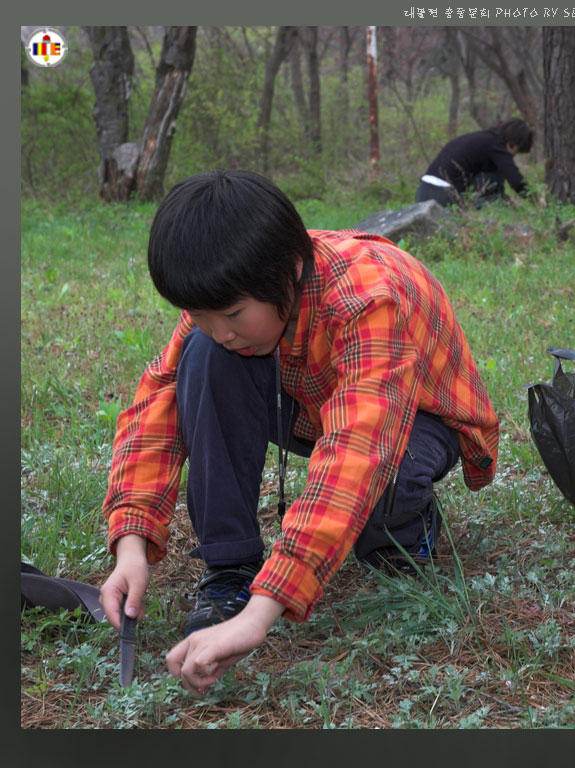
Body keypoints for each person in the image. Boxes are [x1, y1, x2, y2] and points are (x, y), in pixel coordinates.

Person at [99, 170, 500, 694]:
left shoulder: (371, 299)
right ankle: (228, 569)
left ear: (286, 274)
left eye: (233, 314)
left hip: (420, 420)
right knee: (202, 361)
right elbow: (158, 404)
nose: (220, 329)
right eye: (199, 314)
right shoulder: (230, 302)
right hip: (317, 405)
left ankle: (406, 525)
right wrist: (131, 544)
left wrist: (262, 614)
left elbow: (358, 450)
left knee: (389, 487)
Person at [415, 118, 533, 208]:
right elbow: (516, 181)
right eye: (517, 150)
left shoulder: (483, 139)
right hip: (443, 194)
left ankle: (497, 203)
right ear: (512, 142)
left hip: (423, 190)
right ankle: (491, 206)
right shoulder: (497, 146)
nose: (513, 156)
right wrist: (535, 199)